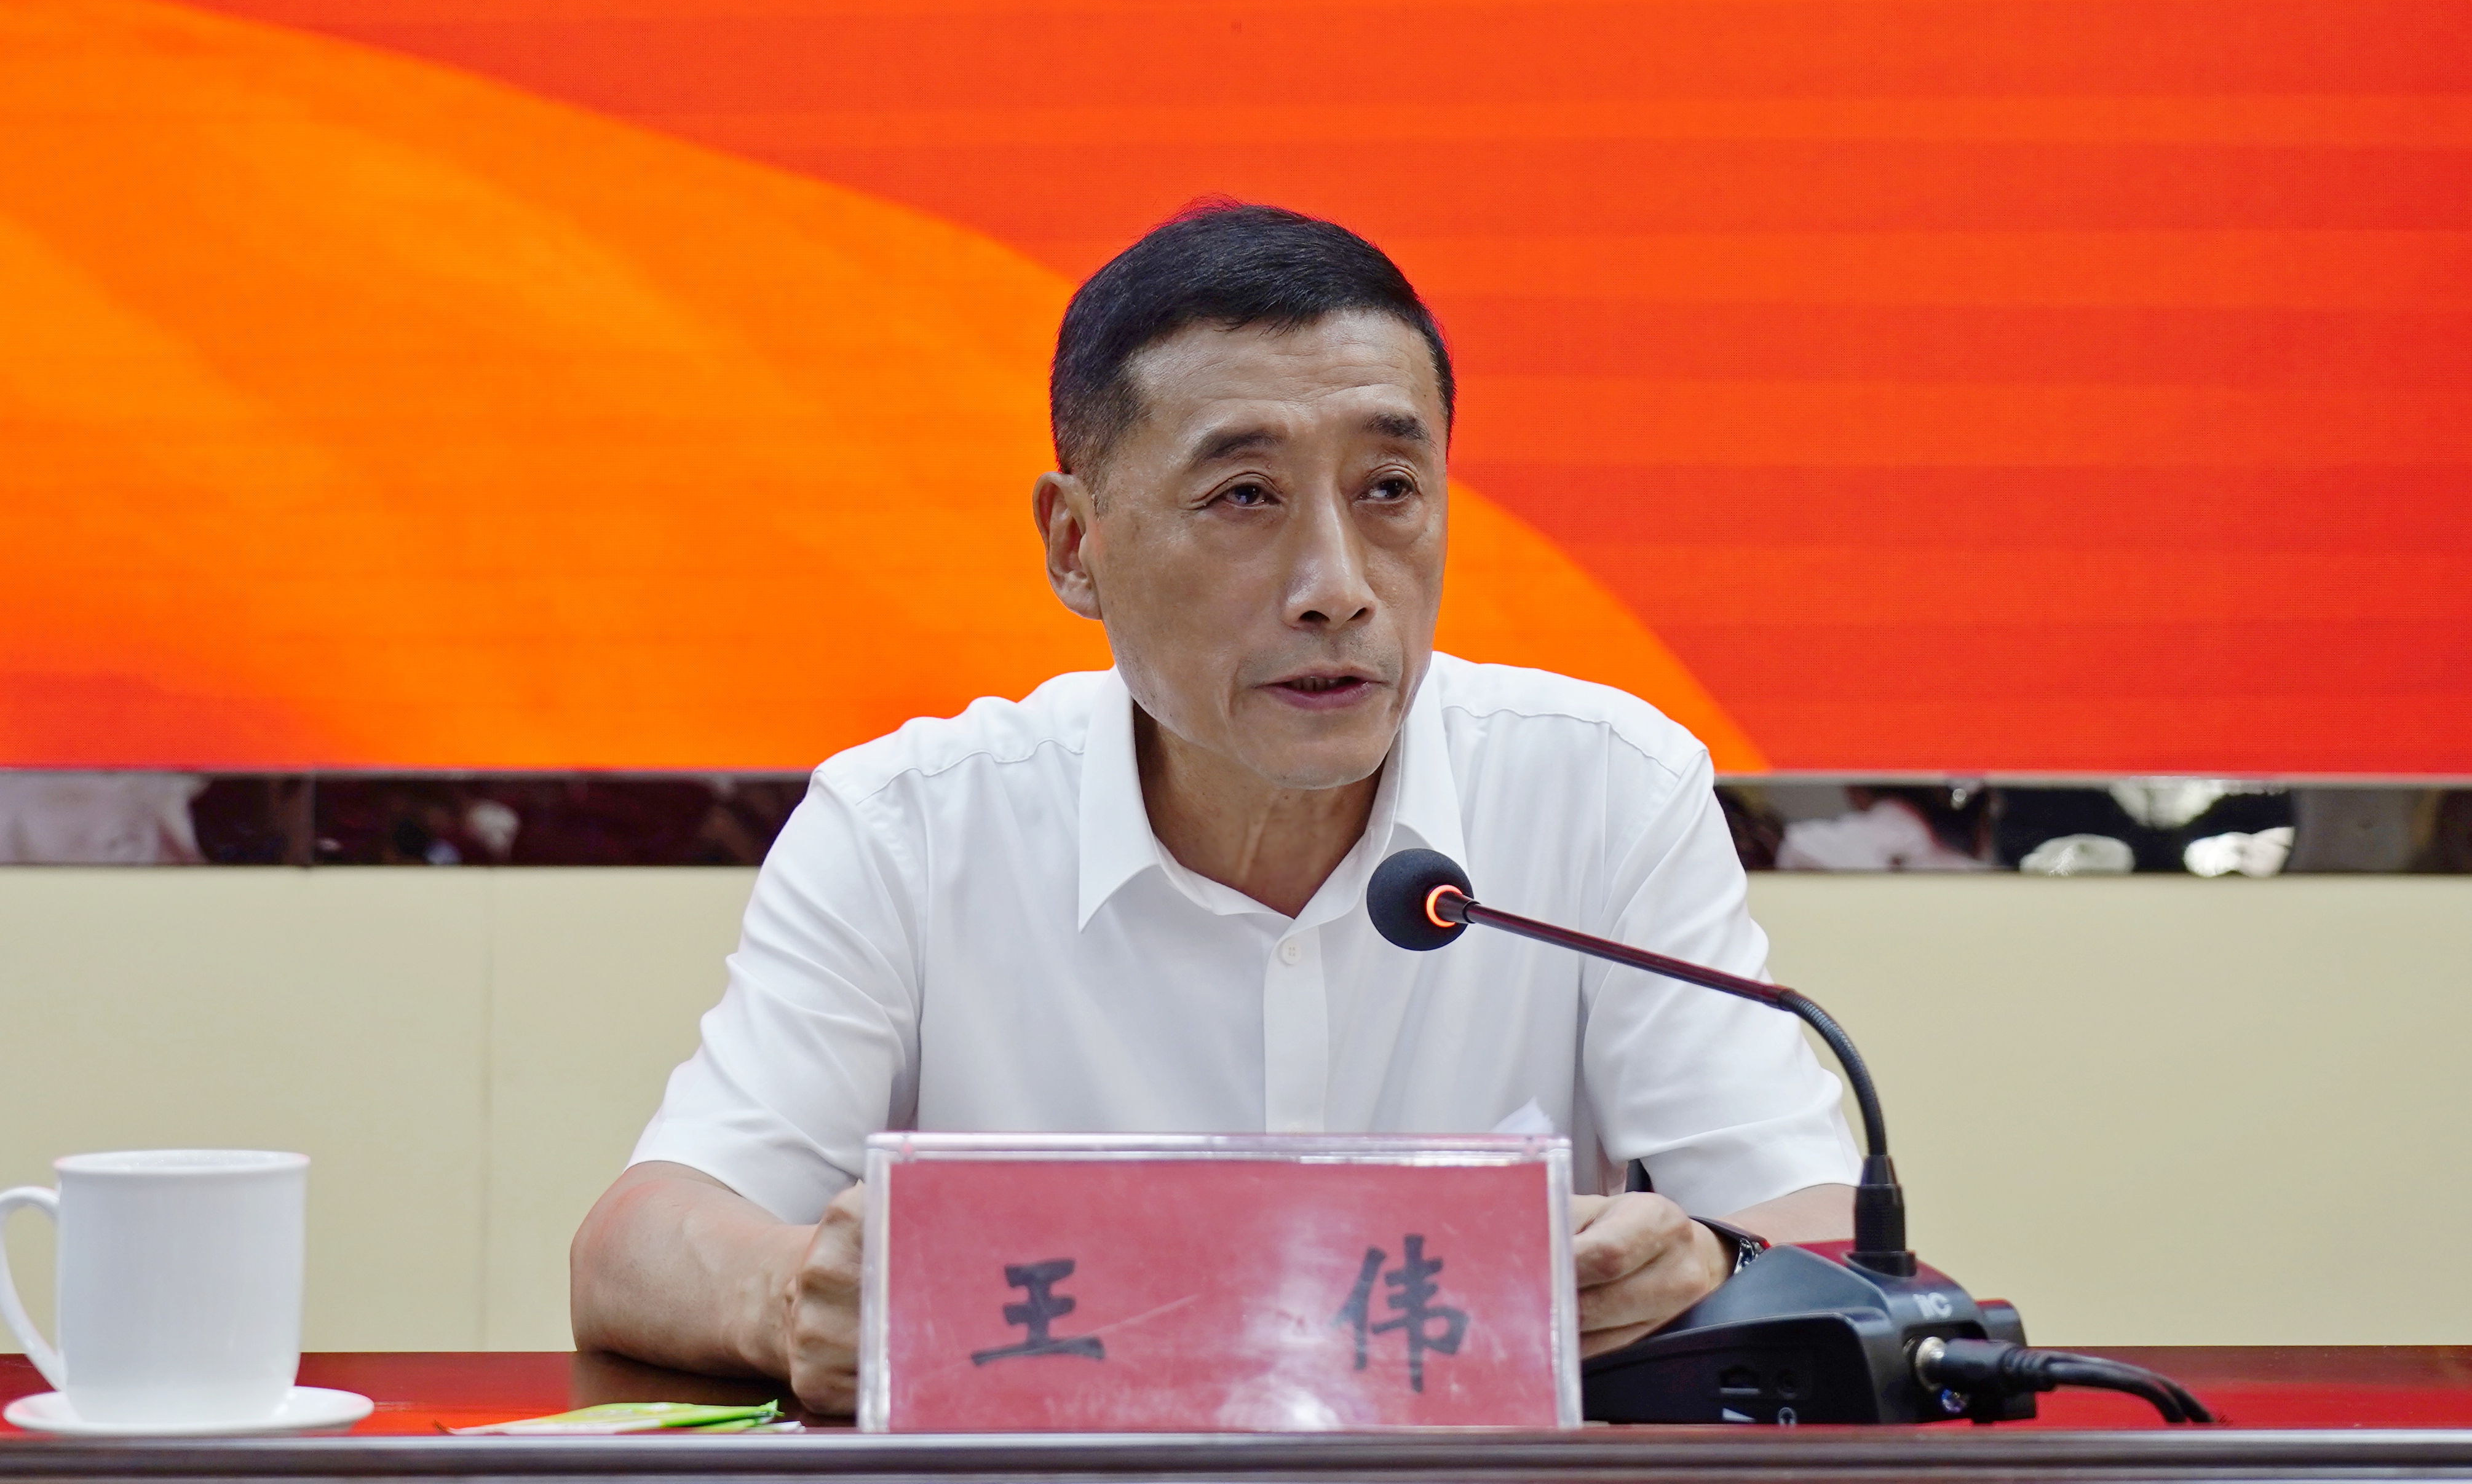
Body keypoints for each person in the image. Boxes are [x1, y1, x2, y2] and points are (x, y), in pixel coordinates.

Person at [570, 202, 1858, 1412]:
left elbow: (1830, 1237)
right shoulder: (910, 826)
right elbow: (639, 1242)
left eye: (1389, 489)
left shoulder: (1605, 789)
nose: (1338, 586)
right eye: (1246, 496)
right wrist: (793, 1293)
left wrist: (1714, 1266)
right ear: (1076, 544)